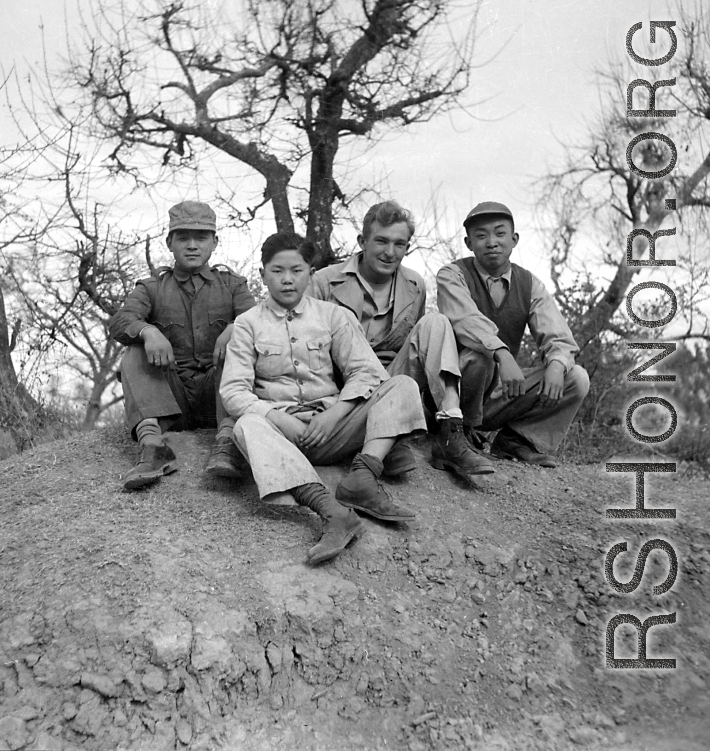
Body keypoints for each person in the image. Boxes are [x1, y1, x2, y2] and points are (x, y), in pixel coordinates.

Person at [220, 232, 427, 565]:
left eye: (297, 270)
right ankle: (332, 512)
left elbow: (368, 372)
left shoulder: (332, 316)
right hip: (284, 435)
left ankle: (362, 478)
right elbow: (233, 390)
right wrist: (278, 418)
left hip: (335, 429)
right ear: (262, 274)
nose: (287, 280)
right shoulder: (247, 324)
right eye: (277, 271)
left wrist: (337, 412)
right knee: (245, 425)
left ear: (310, 273)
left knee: (401, 385)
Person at [309, 201, 494, 488]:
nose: (389, 252)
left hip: (394, 382)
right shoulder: (322, 282)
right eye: (381, 241)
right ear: (362, 241)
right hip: (344, 392)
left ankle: (450, 431)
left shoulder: (415, 284)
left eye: (399, 244)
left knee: (436, 322)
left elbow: (416, 353)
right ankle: (386, 441)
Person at [109, 201, 256, 490]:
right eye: (183, 238)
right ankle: (153, 446)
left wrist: (236, 327)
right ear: (169, 243)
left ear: (214, 242)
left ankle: (228, 441)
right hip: (171, 403)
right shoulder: (152, 287)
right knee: (135, 349)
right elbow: (121, 321)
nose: (192, 246)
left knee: (242, 340)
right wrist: (147, 331)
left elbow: (259, 321)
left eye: (200, 238)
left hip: (219, 398)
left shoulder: (233, 285)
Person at [436, 201, 590, 468]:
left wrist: (556, 363)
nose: (492, 242)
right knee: (478, 357)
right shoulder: (452, 275)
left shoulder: (529, 284)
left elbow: (558, 336)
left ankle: (517, 441)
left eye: (500, 233)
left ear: (514, 239)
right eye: (481, 235)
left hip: (498, 393)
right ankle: (458, 434)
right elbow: (466, 322)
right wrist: (502, 354)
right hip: (455, 388)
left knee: (575, 377)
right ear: (469, 243)